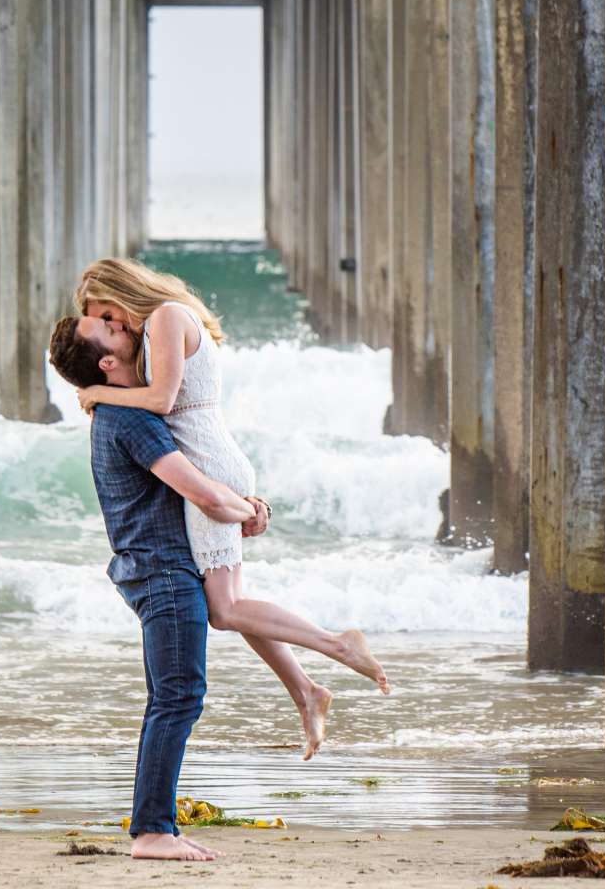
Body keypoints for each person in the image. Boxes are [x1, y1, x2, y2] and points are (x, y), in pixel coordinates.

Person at [58, 257, 390, 761]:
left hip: (210, 466)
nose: (110, 323)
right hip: (209, 465)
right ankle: (306, 691)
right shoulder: (159, 324)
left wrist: (97, 391)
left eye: (103, 312)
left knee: (226, 608)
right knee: (229, 603)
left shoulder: (167, 316)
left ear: (121, 292)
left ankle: (338, 645)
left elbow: (165, 400)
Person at [49, 315, 264, 861]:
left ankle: (154, 825)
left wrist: (242, 507)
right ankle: (151, 831)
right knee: (178, 697)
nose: (122, 323)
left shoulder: (118, 411)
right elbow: (204, 496)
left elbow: (208, 494)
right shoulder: (131, 419)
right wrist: (252, 513)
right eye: (107, 326)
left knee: (171, 697)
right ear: (106, 361)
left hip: (155, 567)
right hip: (163, 570)